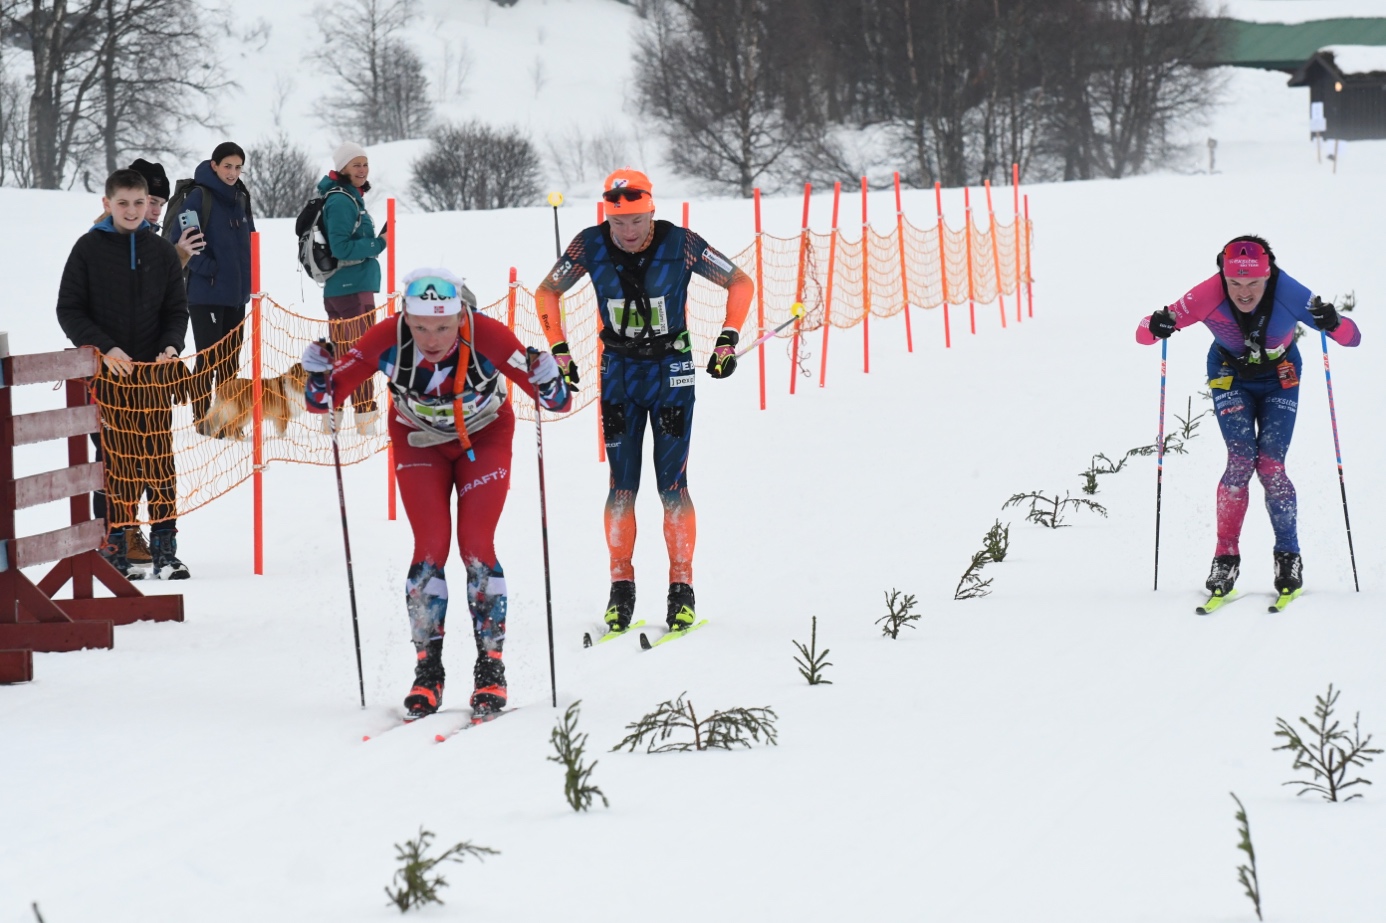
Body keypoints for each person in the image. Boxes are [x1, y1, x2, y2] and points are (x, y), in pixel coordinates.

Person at [302, 268, 572, 719]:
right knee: (429, 547)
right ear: (405, 316)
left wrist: (548, 377)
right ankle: (428, 671)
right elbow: (324, 400)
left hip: (484, 437)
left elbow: (556, 402)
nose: (432, 338)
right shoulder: (385, 337)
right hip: (417, 439)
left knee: (476, 545)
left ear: (460, 315)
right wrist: (316, 375)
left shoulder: (486, 334)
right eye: (421, 326)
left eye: (443, 326)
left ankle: (491, 668)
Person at [534, 168, 753, 636]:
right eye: (619, 223)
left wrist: (727, 340)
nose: (628, 232)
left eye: (636, 220)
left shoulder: (682, 244)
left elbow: (740, 282)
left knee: (672, 483)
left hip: (671, 373)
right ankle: (621, 590)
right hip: (618, 375)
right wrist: (559, 350)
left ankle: (681, 590)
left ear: (651, 210)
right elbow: (547, 291)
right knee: (621, 484)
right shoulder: (588, 245)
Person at [1136, 236, 1361, 602]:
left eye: (1253, 283)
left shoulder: (1289, 291)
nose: (1244, 292)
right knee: (1241, 459)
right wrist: (1158, 323)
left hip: (1281, 375)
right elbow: (1143, 334)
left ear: (1268, 275)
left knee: (1271, 464)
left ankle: (1288, 556)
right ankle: (1225, 557)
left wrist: (1334, 322)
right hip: (1229, 374)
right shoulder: (1206, 294)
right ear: (1223, 276)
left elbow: (1353, 339)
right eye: (1235, 283)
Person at [56, 167, 191, 580]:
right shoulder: (87, 250)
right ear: (107, 204)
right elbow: (69, 309)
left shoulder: (163, 252)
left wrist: (172, 346)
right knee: (114, 463)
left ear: (148, 203)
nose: (132, 211)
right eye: (123, 203)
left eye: (139, 202)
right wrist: (105, 348)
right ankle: (113, 546)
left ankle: (165, 548)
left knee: (158, 459)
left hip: (153, 376)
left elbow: (176, 310)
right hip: (108, 378)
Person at [180, 142, 255, 433]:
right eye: (227, 166)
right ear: (214, 165)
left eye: (238, 167)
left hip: (236, 296)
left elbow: (248, 242)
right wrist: (210, 270)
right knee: (209, 359)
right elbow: (184, 239)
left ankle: (227, 417)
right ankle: (203, 421)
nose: (233, 172)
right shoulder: (198, 197)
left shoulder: (240, 197)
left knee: (230, 363)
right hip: (206, 295)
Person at [316, 141, 388, 435]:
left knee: (345, 356)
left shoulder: (347, 198)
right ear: (342, 168)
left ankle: (335, 415)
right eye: (356, 164)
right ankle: (365, 421)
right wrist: (380, 242)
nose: (362, 170)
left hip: (347, 287)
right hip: (350, 289)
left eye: (365, 164)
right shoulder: (341, 200)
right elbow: (342, 247)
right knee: (359, 355)